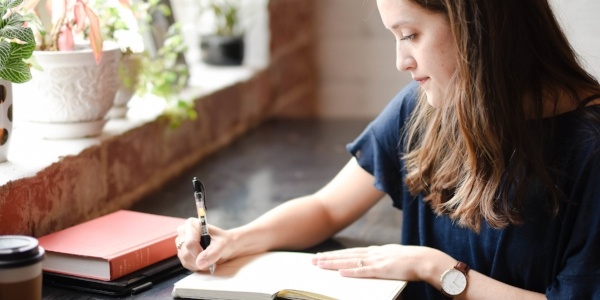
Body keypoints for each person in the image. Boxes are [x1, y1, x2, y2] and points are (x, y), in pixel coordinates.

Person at [176, 0, 600, 298]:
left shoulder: (590, 149)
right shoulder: (425, 108)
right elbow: (327, 208)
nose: (401, 61)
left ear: (477, 24)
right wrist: (235, 239)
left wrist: (436, 269)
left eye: (411, 35)